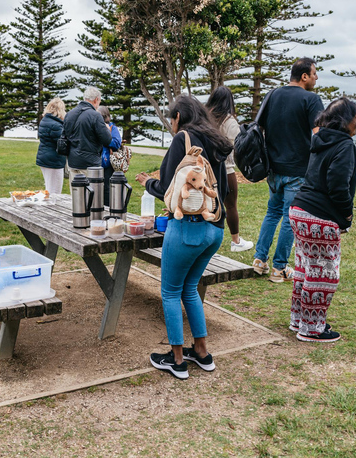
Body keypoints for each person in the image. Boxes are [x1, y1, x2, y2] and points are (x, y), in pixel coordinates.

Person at [136, 96, 232, 379]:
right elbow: (222, 189)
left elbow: (167, 185)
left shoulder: (183, 139)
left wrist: (147, 183)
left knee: (169, 291)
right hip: (214, 228)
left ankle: (177, 359)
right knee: (190, 289)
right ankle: (201, 352)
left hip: (187, 228)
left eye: (171, 117)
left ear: (178, 116)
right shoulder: (216, 140)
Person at [289, 98, 356, 343]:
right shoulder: (345, 145)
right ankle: (312, 329)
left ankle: (300, 319)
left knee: (305, 269)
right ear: (345, 120)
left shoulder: (319, 140)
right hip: (319, 217)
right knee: (323, 275)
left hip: (299, 210)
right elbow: (338, 186)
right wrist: (347, 214)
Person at [253, 57, 324, 283]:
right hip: (297, 171)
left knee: (272, 213)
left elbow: (259, 129)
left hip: (273, 169)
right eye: (314, 74)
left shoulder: (272, 95)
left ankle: (259, 260)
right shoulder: (311, 99)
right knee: (289, 218)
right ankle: (279, 268)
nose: (316, 77)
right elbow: (319, 135)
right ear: (304, 76)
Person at [206, 86, 253, 252]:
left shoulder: (205, 118)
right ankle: (236, 241)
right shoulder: (228, 121)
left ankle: (205, 238)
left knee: (208, 205)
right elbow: (239, 145)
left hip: (205, 170)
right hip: (225, 170)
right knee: (231, 206)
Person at [62, 87, 112, 184]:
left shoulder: (70, 114)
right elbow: (107, 140)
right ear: (96, 100)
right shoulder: (95, 115)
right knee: (91, 197)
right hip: (90, 164)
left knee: (76, 195)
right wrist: (107, 129)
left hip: (72, 161)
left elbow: (64, 135)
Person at [36, 98, 67, 194]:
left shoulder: (45, 120)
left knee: (49, 186)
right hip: (53, 160)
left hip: (44, 158)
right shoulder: (56, 125)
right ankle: (51, 208)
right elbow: (62, 142)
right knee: (55, 191)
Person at [97, 105, 122, 202]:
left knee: (106, 189)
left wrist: (105, 136)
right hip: (94, 162)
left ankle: (107, 209)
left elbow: (116, 143)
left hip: (107, 163)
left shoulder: (112, 127)